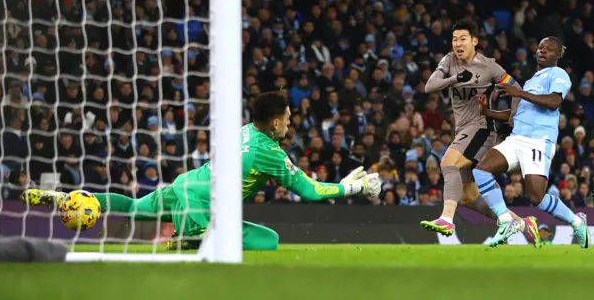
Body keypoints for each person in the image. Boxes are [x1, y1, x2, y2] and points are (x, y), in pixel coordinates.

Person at [20, 91, 381, 251]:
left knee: (132, 206)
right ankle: (190, 238)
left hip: (184, 185)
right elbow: (309, 193)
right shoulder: (270, 151)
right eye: (288, 116)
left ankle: (68, 198)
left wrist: (342, 181)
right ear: (275, 121)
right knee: (269, 241)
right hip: (202, 204)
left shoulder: (247, 131)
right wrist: (356, 188)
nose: (290, 121)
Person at [420, 19, 539, 245]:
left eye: (463, 39)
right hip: (463, 130)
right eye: (455, 39)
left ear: (474, 41)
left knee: (448, 163)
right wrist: (456, 79)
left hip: (482, 128)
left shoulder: (489, 67)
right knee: (469, 197)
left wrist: (514, 120)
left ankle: (446, 218)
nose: (458, 44)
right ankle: (522, 224)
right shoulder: (449, 61)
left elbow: (516, 89)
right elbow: (429, 87)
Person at [472, 37, 590, 248]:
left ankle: (576, 222)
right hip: (517, 138)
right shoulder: (532, 80)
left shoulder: (558, 74)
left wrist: (519, 93)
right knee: (481, 170)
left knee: (537, 198)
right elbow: (515, 115)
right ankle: (506, 221)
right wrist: (487, 112)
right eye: (540, 47)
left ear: (557, 55)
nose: (542, 51)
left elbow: (554, 102)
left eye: (549, 49)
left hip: (538, 140)